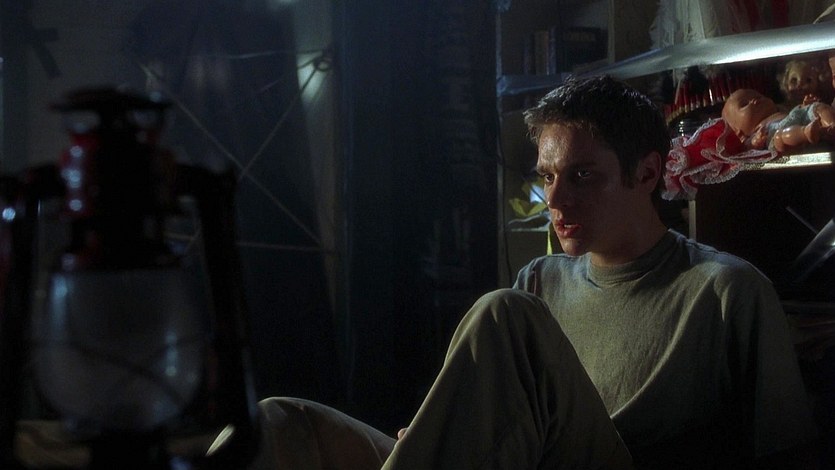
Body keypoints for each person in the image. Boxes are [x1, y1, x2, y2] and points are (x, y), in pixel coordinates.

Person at [214, 76, 817, 469]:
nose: (555, 199)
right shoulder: (541, 279)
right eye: (548, 177)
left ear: (647, 173)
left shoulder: (725, 289)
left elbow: (789, 455)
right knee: (279, 423)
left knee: (502, 310)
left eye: (582, 176)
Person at [721, 87, 835, 153]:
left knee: (818, 107)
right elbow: (748, 148)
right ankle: (806, 133)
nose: (754, 100)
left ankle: (831, 125)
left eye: (757, 96)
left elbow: (795, 115)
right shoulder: (756, 133)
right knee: (780, 137)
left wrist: (804, 106)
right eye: (744, 104)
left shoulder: (781, 111)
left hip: (796, 116)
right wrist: (755, 141)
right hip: (776, 132)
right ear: (739, 134)